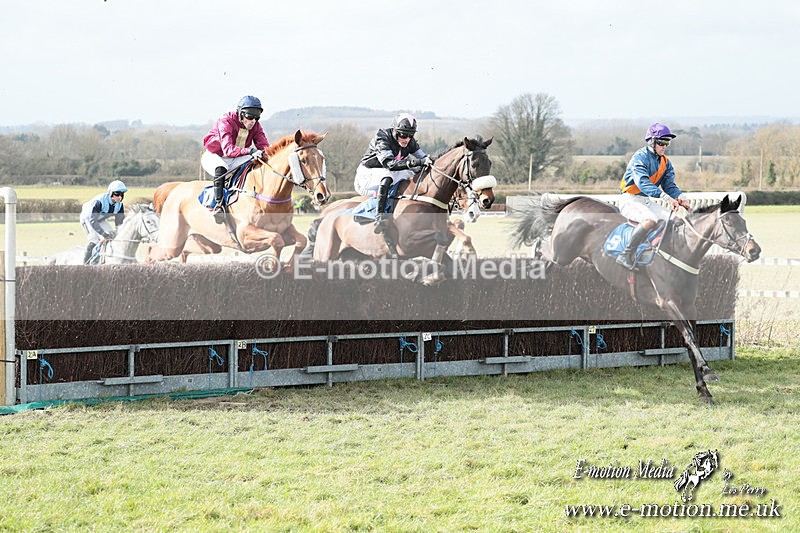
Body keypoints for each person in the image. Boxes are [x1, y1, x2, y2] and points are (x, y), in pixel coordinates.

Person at [616, 122, 693, 270]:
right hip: (629, 199)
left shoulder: (665, 162)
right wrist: (665, 198)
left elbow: (669, 185)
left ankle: (661, 254)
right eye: (662, 142)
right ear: (652, 142)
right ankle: (625, 254)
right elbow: (642, 183)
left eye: (667, 143)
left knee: (674, 220)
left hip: (645, 200)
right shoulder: (639, 157)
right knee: (650, 220)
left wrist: (681, 197)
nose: (665, 146)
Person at [354, 113, 432, 233]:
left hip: (389, 172)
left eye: (410, 135)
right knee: (388, 176)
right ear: (395, 131)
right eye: (403, 135)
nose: (407, 139)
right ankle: (379, 217)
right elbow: (389, 164)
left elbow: (425, 158)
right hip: (366, 176)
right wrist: (415, 162)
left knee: (415, 173)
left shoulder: (410, 142)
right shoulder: (382, 137)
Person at [202, 95, 270, 222]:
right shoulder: (226, 121)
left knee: (255, 164)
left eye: (256, 117)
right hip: (216, 155)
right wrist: (250, 150)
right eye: (250, 117)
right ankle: (218, 205)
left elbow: (265, 147)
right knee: (221, 168)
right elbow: (228, 150)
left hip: (237, 156)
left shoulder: (256, 125)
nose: (253, 121)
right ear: (241, 114)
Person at [79, 180, 127, 264]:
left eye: (122, 194)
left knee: (113, 236)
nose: (120, 197)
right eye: (117, 194)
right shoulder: (100, 201)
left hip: (100, 219)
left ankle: (105, 259)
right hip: (87, 218)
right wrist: (103, 234)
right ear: (111, 193)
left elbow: (119, 223)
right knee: (95, 240)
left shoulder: (119, 205)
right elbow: (93, 221)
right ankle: (84, 265)